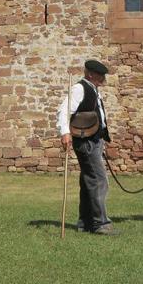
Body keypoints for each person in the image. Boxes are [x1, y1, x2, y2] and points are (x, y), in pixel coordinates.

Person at [56, 59, 117, 235]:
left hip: (94, 140)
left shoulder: (93, 89)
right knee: (98, 180)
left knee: (88, 181)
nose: (103, 79)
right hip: (86, 142)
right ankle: (100, 224)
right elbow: (64, 110)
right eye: (100, 75)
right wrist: (65, 133)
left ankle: (86, 222)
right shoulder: (80, 89)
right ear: (90, 74)